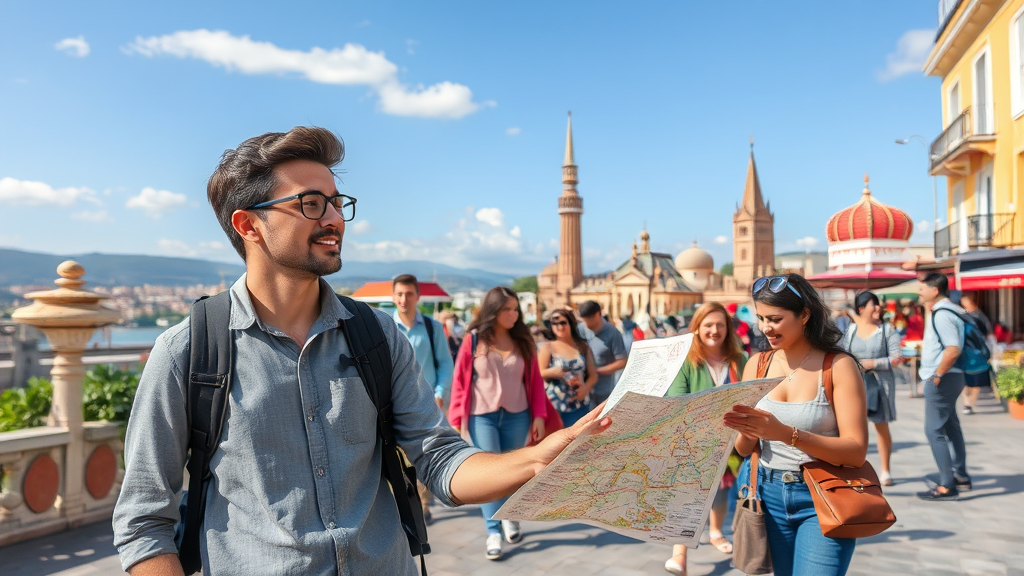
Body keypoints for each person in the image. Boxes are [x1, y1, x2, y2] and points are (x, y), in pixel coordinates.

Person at [112, 127, 610, 575]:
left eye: (336, 202)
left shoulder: (376, 335)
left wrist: (537, 460)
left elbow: (436, 457)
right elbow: (142, 521)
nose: (334, 219)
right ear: (248, 225)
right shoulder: (188, 352)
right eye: (311, 203)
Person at [723, 273, 868, 576]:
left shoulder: (838, 366)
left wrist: (786, 434)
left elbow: (855, 452)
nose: (766, 328)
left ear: (804, 315)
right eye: (761, 318)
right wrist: (745, 429)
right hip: (767, 492)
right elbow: (743, 447)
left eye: (775, 318)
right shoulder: (757, 364)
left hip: (824, 495)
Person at [448, 286, 553, 560]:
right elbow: (460, 382)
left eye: (516, 309)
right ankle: (493, 530)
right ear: (493, 310)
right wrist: (458, 420)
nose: (514, 314)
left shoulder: (524, 341)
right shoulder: (473, 341)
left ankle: (510, 515)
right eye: (508, 309)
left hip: (518, 415)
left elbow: (535, 384)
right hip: (482, 416)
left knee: (513, 470)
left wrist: (539, 415)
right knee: (488, 474)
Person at [663, 302, 748, 575]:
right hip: (693, 441)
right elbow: (677, 401)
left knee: (722, 491)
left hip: (730, 442)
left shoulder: (740, 358)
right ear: (697, 328)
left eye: (720, 325)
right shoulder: (686, 360)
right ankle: (680, 555)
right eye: (708, 325)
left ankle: (715, 531)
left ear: (728, 328)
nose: (714, 330)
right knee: (686, 495)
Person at [392, 273, 455, 524]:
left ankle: (424, 502)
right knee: (396, 458)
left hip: (426, 404)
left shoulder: (432, 327)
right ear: (393, 297)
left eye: (408, 294)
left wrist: (440, 393)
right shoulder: (384, 326)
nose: (404, 299)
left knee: (424, 455)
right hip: (393, 403)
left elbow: (445, 365)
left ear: (417, 297)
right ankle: (403, 501)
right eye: (399, 294)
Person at [916, 272, 971, 500]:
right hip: (953, 376)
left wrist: (936, 376)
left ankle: (947, 485)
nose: (918, 293)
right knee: (951, 426)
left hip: (943, 377)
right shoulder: (952, 309)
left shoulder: (942, 314)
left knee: (934, 430)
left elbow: (952, 348)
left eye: (921, 289)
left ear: (934, 290)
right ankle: (961, 476)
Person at [841, 291, 902, 486]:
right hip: (854, 387)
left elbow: (896, 358)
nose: (877, 308)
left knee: (881, 426)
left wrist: (873, 363)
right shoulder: (850, 331)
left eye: (878, 305)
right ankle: (854, 469)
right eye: (872, 305)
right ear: (861, 309)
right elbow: (842, 355)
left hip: (880, 387)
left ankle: (886, 470)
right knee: (853, 429)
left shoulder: (887, 330)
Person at [539, 308, 598, 427]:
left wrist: (586, 389)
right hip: (555, 406)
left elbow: (593, 375)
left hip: (580, 403)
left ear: (570, 323)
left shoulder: (582, 346)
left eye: (563, 322)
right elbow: (539, 373)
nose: (559, 327)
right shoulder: (547, 347)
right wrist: (553, 371)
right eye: (554, 323)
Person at [577, 300, 628, 407]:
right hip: (582, 389)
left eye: (588, 320)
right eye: (584, 320)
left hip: (603, 391)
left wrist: (596, 372)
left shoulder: (613, 333)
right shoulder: (581, 329)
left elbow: (622, 361)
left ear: (597, 314)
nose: (586, 324)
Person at [959, 292, 993, 415]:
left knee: (976, 379)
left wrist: (991, 349)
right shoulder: (962, 315)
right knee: (965, 379)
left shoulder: (980, 316)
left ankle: (969, 404)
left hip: (978, 352)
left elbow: (988, 333)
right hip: (964, 352)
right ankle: (966, 403)